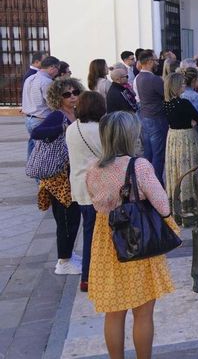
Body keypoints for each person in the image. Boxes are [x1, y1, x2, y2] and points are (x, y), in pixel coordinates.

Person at [85, 111, 176, 359]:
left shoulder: (93, 168)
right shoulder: (140, 166)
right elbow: (162, 205)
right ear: (130, 135)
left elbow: (95, 202)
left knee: (113, 313)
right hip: (137, 239)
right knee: (143, 312)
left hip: (105, 240)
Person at [32, 76, 85, 276]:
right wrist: (60, 129)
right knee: (66, 220)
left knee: (73, 218)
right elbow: (36, 133)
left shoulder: (77, 113)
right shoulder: (58, 116)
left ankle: (68, 255)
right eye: (67, 94)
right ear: (58, 97)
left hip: (72, 174)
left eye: (75, 92)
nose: (72, 97)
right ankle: (63, 262)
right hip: (58, 178)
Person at [64, 90, 105, 292]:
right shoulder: (100, 130)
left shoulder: (72, 128)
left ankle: (89, 276)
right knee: (98, 233)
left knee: (90, 231)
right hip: (99, 187)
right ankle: (92, 276)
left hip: (80, 186)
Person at [162, 72, 198, 219]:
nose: (184, 86)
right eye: (181, 84)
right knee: (189, 169)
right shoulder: (184, 103)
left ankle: (176, 206)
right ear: (174, 87)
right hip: (186, 138)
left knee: (175, 170)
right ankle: (191, 207)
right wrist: (193, 122)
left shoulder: (165, 104)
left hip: (173, 138)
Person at [135, 51, 169, 184]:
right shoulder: (153, 79)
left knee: (148, 153)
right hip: (157, 119)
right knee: (158, 154)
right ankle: (156, 184)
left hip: (145, 118)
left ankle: (146, 183)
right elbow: (166, 96)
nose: (157, 63)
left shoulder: (138, 77)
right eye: (155, 60)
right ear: (149, 62)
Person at [22, 55, 60, 160]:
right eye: (58, 69)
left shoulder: (30, 78)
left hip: (28, 118)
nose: (57, 72)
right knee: (42, 151)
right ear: (52, 67)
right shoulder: (47, 82)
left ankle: (31, 168)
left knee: (33, 145)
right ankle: (39, 175)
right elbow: (52, 103)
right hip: (40, 119)